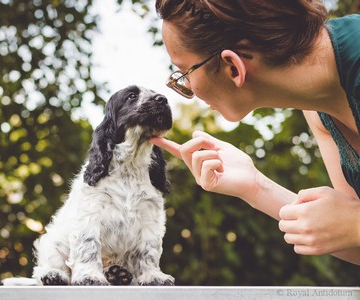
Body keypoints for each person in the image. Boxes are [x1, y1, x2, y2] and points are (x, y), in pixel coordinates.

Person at [151, 0, 360, 266]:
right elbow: (347, 239)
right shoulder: (318, 111)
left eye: (185, 73)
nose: (189, 88)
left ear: (233, 67)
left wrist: (354, 225)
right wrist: (255, 187)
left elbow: (352, 227)